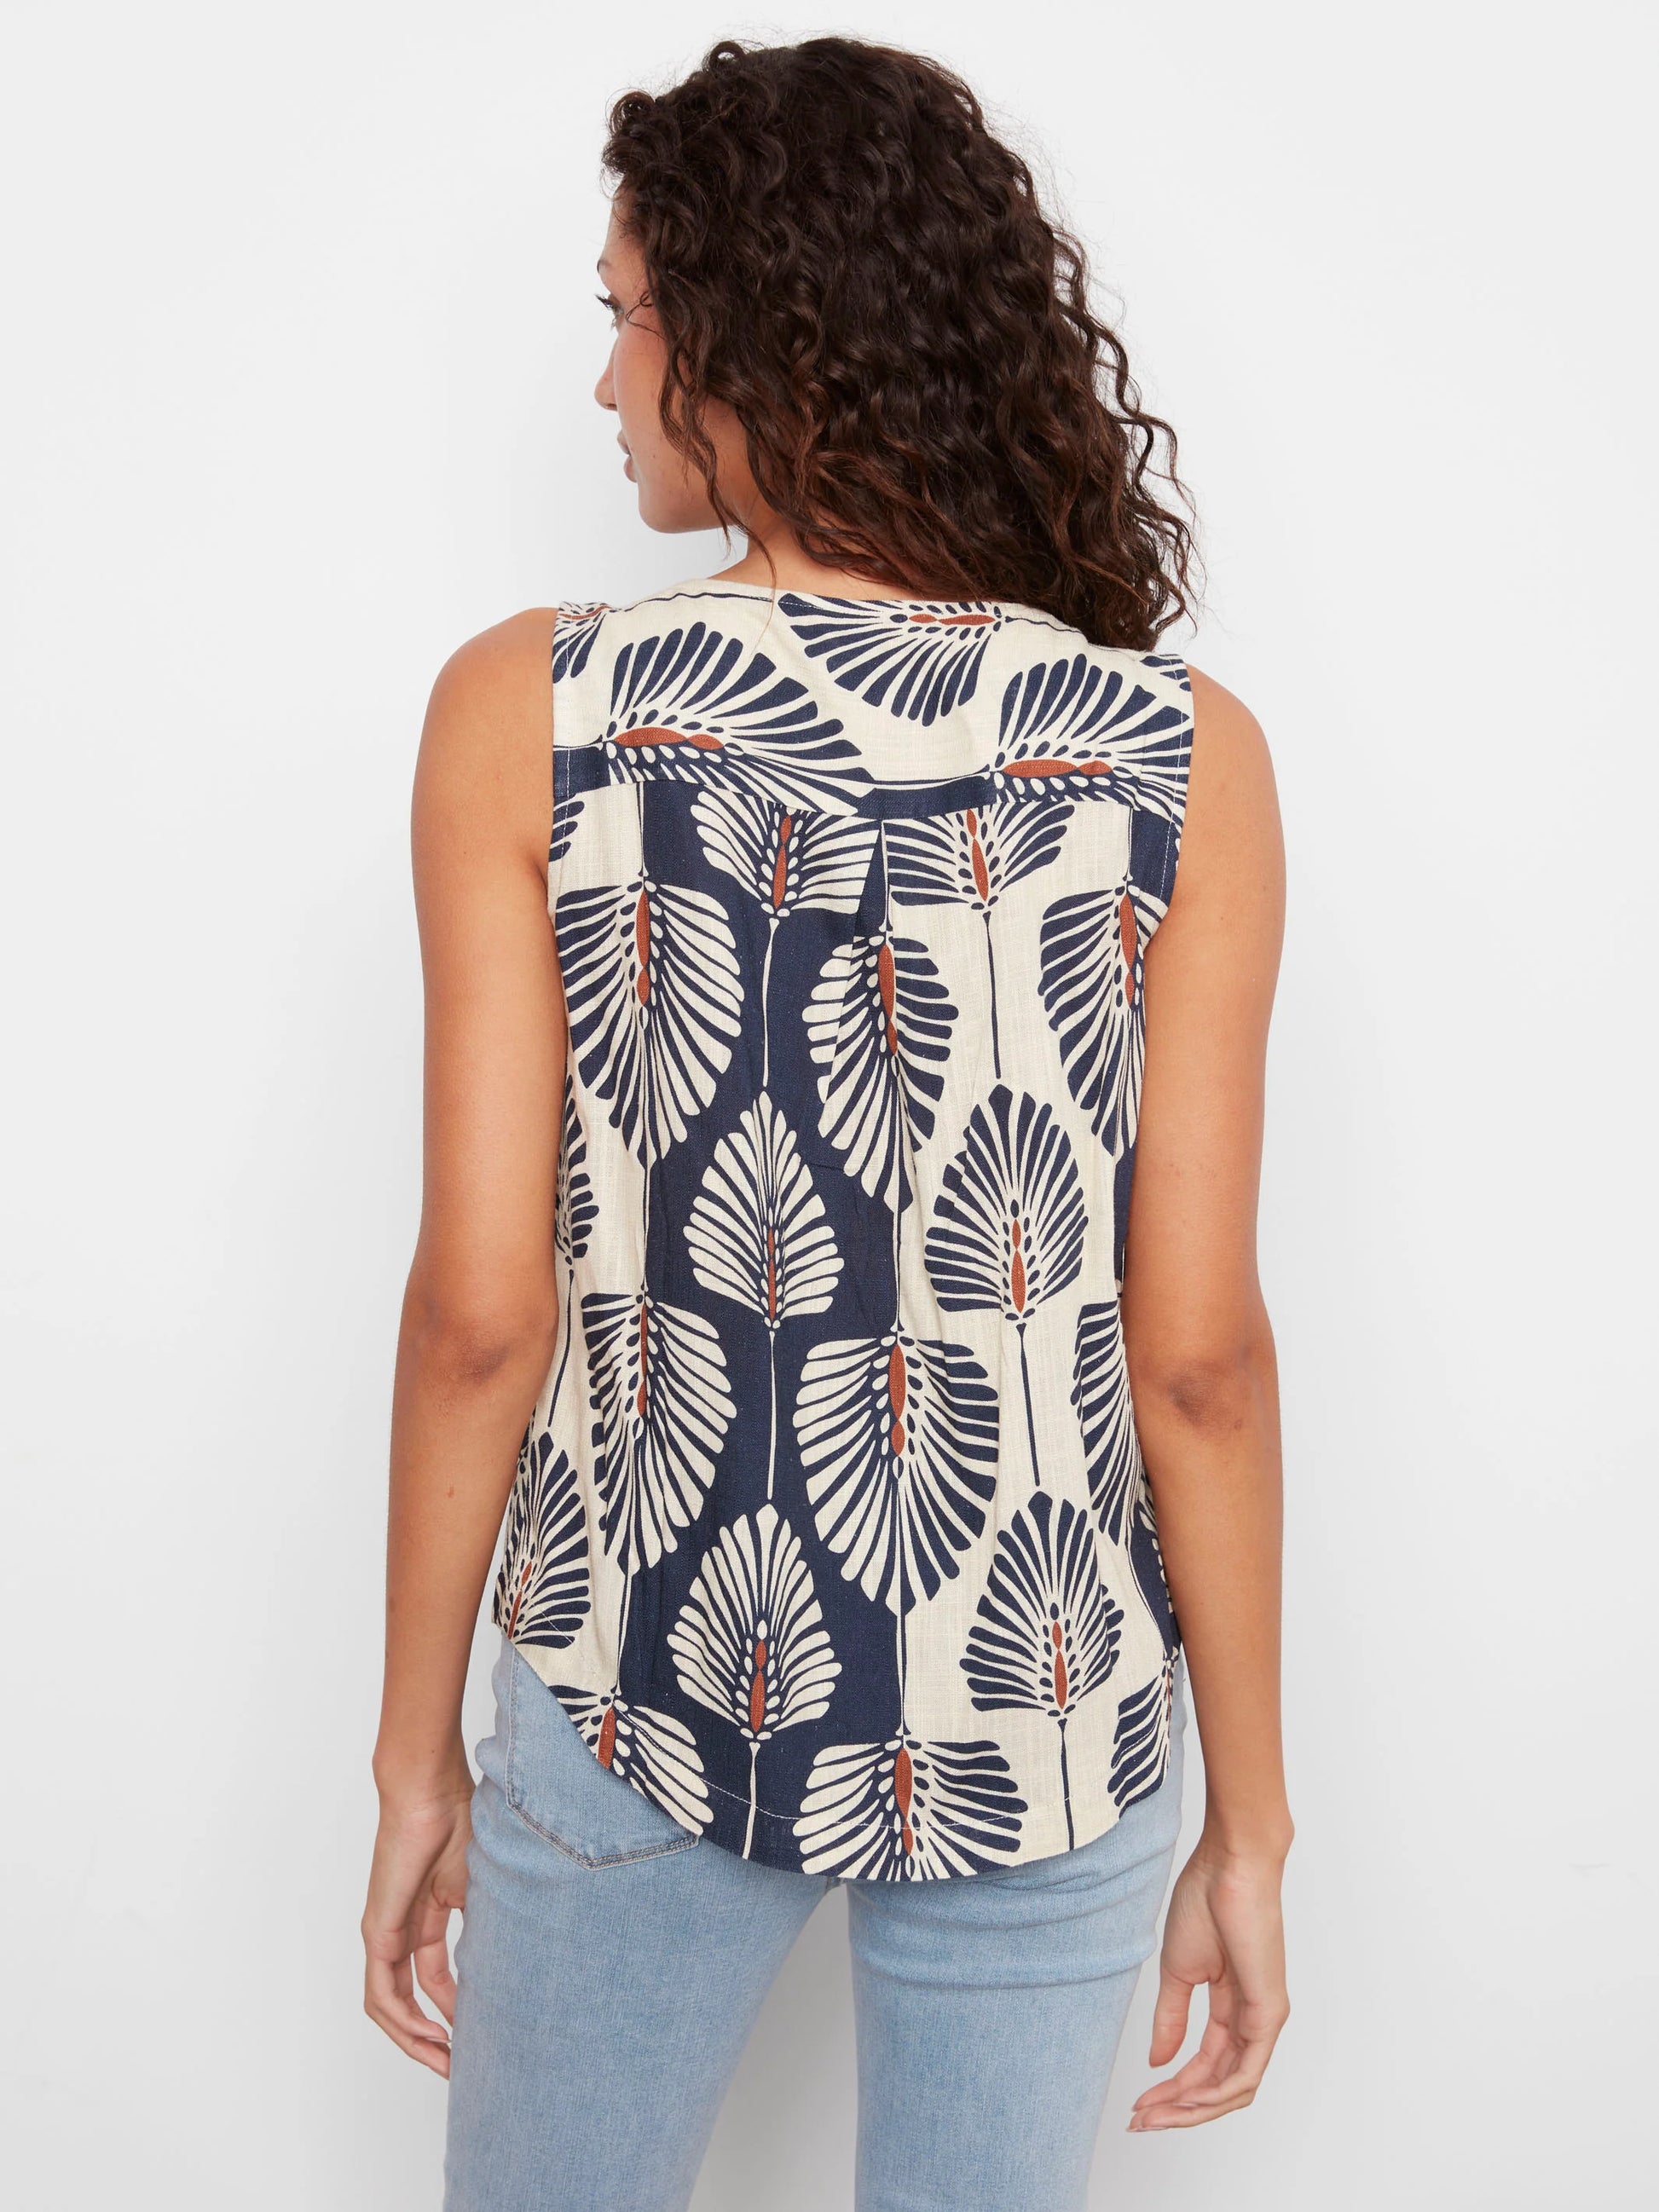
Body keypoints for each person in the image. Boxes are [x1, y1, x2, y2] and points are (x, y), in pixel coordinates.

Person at [361, 35, 1291, 2212]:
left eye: (627, 317)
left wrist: (413, 1759)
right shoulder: (1177, 754)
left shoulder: (530, 712)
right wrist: (1250, 1823)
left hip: (641, 1659)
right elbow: (1197, 1360)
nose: (605, 381)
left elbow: (482, 1311)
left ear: (750, 341)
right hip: (1043, 1699)